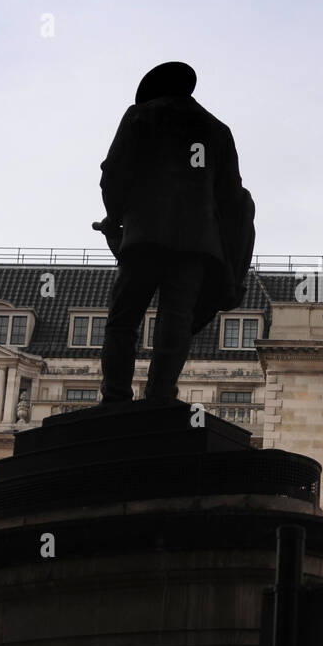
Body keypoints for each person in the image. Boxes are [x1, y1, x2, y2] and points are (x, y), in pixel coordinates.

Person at [96, 62, 254, 402]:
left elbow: (113, 172)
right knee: (176, 320)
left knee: (123, 320)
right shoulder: (217, 130)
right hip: (196, 244)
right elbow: (233, 199)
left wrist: (114, 217)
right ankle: (160, 395)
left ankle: (115, 396)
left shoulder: (140, 116)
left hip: (144, 236)